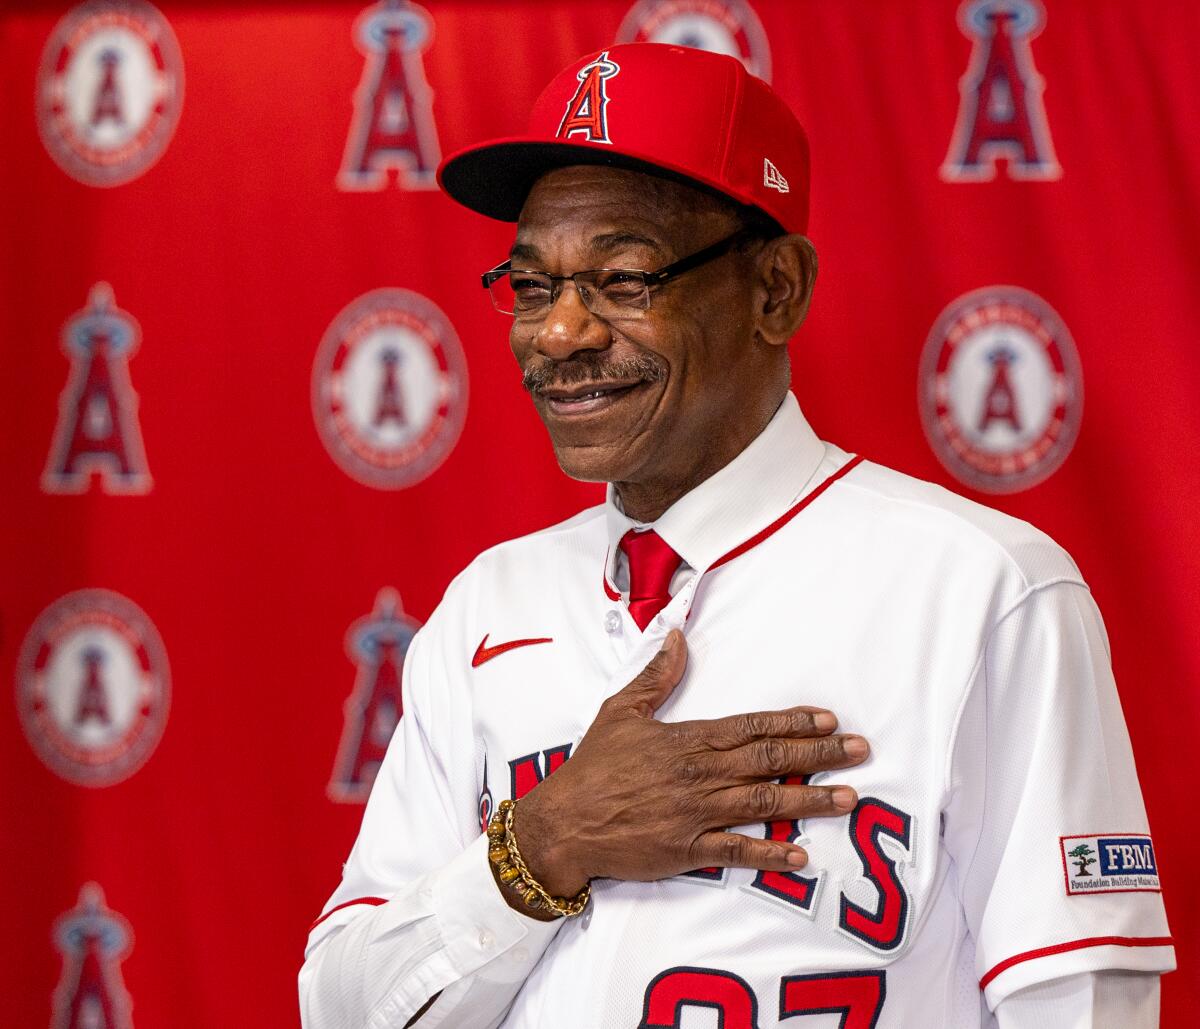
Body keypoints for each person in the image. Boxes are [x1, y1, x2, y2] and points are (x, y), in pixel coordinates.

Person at [299, 43, 1173, 1027]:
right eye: (534, 284)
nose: (558, 333)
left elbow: (1081, 1005)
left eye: (624, 278)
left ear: (775, 291)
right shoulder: (488, 609)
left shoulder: (980, 589)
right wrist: (543, 847)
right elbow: (342, 1007)